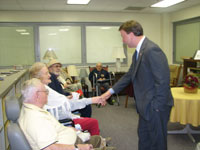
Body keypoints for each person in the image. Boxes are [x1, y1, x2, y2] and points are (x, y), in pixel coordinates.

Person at [101, 20, 174, 150]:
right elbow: (129, 75)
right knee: (144, 138)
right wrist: (109, 92)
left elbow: (163, 81)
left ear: (131, 34)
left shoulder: (152, 50)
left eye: (123, 37)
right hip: (145, 105)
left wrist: (156, 107)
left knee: (157, 143)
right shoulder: (139, 51)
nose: (123, 41)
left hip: (155, 107)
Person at [18, 78, 114, 150]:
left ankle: (101, 143)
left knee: (96, 139)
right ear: (37, 95)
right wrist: (78, 147)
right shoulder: (35, 119)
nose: (47, 94)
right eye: (45, 91)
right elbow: (50, 148)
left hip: (69, 139)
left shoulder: (32, 109)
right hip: (70, 145)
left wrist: (67, 129)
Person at [29, 62, 100, 136]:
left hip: (58, 119)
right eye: (46, 73)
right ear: (38, 76)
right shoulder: (43, 91)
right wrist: (90, 100)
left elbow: (60, 98)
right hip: (62, 123)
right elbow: (65, 105)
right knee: (93, 122)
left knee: (86, 111)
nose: (49, 75)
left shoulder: (41, 88)